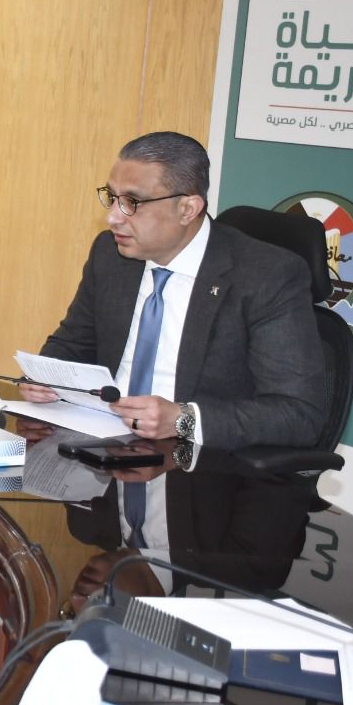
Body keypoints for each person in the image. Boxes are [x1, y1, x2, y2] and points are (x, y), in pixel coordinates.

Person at [21, 131, 326, 604]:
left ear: (188, 208)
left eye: (132, 202)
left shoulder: (266, 276)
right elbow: (72, 342)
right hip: (107, 457)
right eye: (111, 197)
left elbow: (299, 413)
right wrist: (47, 377)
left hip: (206, 478)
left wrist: (183, 419)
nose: (113, 216)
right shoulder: (111, 255)